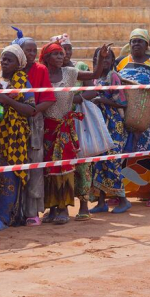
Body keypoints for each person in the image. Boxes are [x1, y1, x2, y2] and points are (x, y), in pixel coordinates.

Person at [41, 41, 110, 223]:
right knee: (49, 169)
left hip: (64, 128)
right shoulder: (41, 74)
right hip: (46, 129)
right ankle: (53, 208)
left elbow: (95, 74)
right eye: (55, 54)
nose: (60, 56)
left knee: (64, 168)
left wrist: (101, 58)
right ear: (47, 58)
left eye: (61, 54)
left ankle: (64, 208)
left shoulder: (70, 73)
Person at [0, 44, 44, 230]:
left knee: (10, 176)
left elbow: (31, 110)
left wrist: (7, 100)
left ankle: (5, 217)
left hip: (15, 139)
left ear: (18, 64)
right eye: (3, 58)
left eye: (9, 60)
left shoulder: (23, 83)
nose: (4, 62)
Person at [115, 29, 150, 208]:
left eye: (140, 41)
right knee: (126, 151)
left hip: (149, 117)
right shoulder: (122, 62)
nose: (136, 44)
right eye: (133, 41)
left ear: (147, 45)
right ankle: (123, 192)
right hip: (126, 114)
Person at [11, 30, 56, 225]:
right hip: (13, 122)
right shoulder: (11, 69)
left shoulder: (40, 70)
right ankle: (13, 211)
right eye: (27, 50)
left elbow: (49, 98)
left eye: (33, 50)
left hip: (35, 120)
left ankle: (32, 212)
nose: (31, 54)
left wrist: (32, 110)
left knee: (35, 164)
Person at [51, 33, 93, 218]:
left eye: (68, 49)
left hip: (78, 120)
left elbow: (92, 90)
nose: (65, 53)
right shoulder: (50, 72)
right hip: (58, 121)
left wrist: (73, 99)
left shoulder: (80, 68)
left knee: (82, 162)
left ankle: (84, 206)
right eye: (61, 50)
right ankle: (57, 206)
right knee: (58, 164)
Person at [87, 47, 133, 213]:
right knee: (99, 163)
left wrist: (102, 100)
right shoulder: (94, 78)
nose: (104, 62)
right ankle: (101, 202)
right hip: (99, 124)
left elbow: (122, 102)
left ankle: (123, 200)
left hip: (113, 124)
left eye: (107, 59)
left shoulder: (112, 76)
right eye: (101, 58)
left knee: (112, 162)